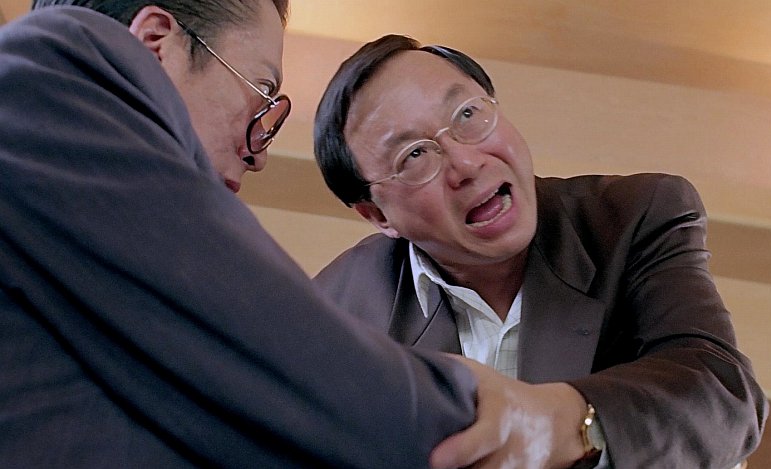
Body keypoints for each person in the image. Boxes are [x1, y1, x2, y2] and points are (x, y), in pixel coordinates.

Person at [0, 3, 499, 467]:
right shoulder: (52, 71)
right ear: (155, 43)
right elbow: (321, 382)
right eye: (261, 95)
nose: (257, 154)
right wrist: (517, 410)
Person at [313, 34, 769, 468]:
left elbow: (723, 399)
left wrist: (562, 424)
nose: (466, 164)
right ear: (378, 215)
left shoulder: (633, 217)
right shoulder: (337, 310)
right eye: (414, 155)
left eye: (468, 114)